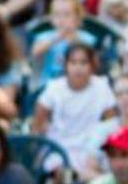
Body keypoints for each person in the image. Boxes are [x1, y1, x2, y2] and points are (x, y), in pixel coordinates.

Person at [32, 43, 118, 172]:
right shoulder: (54, 88)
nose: (78, 68)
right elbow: (38, 124)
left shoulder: (102, 87)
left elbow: (111, 124)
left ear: (92, 66)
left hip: (92, 147)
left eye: (84, 63)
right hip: (59, 146)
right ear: (65, 65)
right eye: (73, 62)